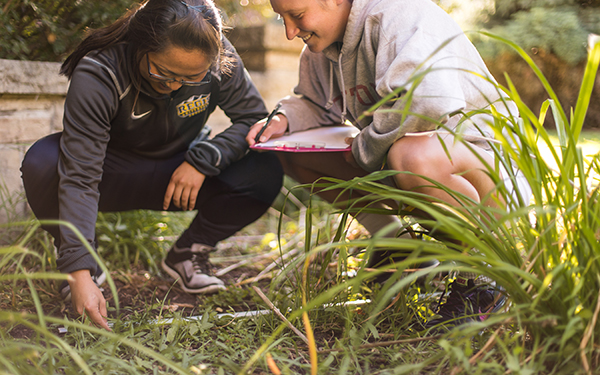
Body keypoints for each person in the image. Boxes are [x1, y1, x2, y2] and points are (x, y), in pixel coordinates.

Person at [245, 0, 531, 327]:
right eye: (281, 18)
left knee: (411, 157)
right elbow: (314, 104)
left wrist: (366, 146)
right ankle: (403, 248)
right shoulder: (319, 49)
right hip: (406, 158)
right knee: (289, 150)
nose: (289, 32)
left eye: (296, 16)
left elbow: (427, 105)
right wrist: (285, 118)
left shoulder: (401, 16)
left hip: (494, 176)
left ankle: (490, 270)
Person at [21, 0, 283, 331]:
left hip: (179, 172)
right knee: (44, 162)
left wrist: (203, 161)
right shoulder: (99, 72)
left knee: (265, 168)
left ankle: (186, 254)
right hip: (109, 173)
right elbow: (80, 178)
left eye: (191, 78)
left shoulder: (217, 56)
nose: (174, 85)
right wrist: (79, 271)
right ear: (139, 46)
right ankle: (82, 263)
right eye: (163, 72)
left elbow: (253, 119)